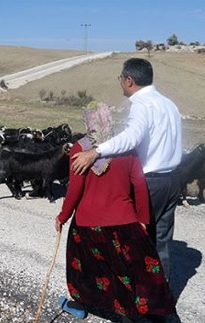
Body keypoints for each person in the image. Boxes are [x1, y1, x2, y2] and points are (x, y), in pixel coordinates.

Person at [55, 101, 178, 322]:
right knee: (132, 269)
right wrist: (142, 219)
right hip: (125, 221)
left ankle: (83, 304)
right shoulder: (125, 147)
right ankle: (148, 310)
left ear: (88, 120)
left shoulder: (80, 148)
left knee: (84, 267)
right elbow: (139, 185)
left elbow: (74, 189)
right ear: (109, 119)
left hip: (88, 224)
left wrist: (62, 216)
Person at [71, 58, 182, 281]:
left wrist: (96, 151)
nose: (120, 82)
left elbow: (132, 138)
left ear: (129, 80)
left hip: (151, 183)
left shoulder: (142, 104)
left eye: (121, 78)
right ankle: (163, 301)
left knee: (139, 243)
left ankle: (141, 301)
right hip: (172, 180)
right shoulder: (168, 103)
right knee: (162, 241)